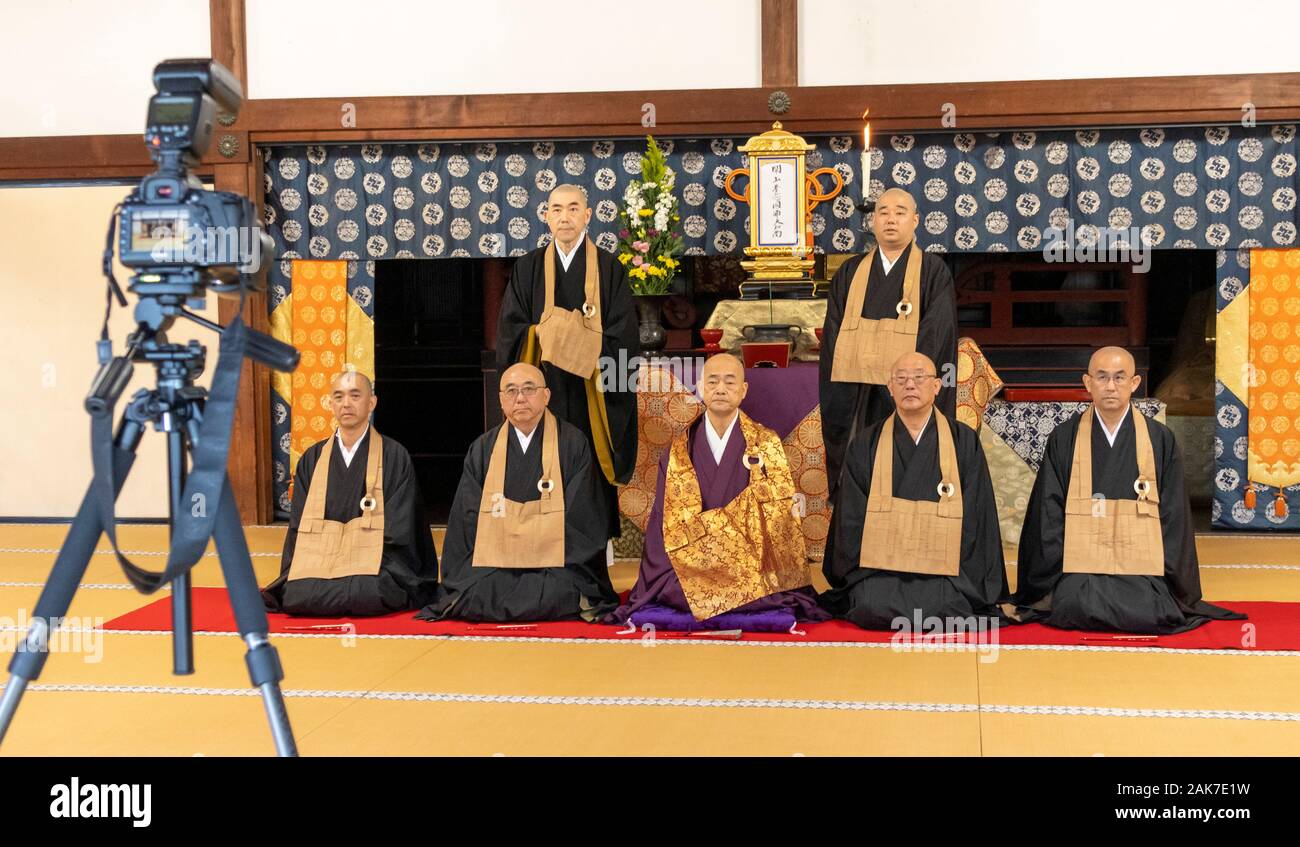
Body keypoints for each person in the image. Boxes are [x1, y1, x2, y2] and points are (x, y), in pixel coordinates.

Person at [1012, 346, 1245, 633]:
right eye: (1102, 377)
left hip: (1142, 570)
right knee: (1074, 605)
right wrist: (1057, 573)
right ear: (1088, 383)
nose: (1111, 386)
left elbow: (1174, 519)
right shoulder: (1065, 437)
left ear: (1135, 383)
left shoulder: (1160, 439)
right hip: (1081, 569)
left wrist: (1171, 578)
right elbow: (1047, 514)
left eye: (1120, 378)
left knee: (1151, 612)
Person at [611, 353, 826, 631]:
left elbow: (778, 520)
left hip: (748, 562)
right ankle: (727, 595)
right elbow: (663, 525)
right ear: (700, 388)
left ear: (744, 390)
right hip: (692, 565)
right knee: (676, 586)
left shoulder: (766, 442)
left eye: (729, 382)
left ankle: (722, 594)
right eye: (712, 382)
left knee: (768, 585)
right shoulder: (678, 451)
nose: (721, 389)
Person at [821, 352, 1008, 629]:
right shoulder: (865, 444)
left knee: (948, 603)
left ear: (936, 386)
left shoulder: (963, 442)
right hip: (882, 570)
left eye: (919, 377)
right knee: (871, 603)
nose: (910, 385)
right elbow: (851, 518)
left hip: (945, 572)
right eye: (901, 378)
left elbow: (977, 519)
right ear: (890, 388)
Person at [419, 363, 618, 622]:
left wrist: (536, 547)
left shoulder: (572, 443)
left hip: (554, 565)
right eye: (511, 391)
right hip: (495, 564)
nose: (520, 398)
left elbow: (584, 517)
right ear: (501, 400)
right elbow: (466, 521)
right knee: (479, 589)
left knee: (561, 590)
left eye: (529, 389)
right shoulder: (482, 448)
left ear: (546, 396)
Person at [496, 184, 638, 542]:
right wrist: (549, 334)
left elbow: (624, 340)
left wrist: (568, 338)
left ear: (588, 216)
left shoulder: (609, 269)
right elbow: (511, 331)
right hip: (544, 391)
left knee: (589, 475)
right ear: (546, 217)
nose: (565, 217)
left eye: (573, 209)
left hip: (594, 396)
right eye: (556, 209)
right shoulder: (527, 268)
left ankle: (595, 558)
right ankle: (538, 548)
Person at [262, 370, 439, 616]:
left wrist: (357, 559)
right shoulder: (311, 459)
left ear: (372, 403)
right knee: (297, 592)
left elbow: (401, 531)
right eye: (339, 396)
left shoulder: (394, 456)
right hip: (320, 562)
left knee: (368, 590)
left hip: (374, 563)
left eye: (355, 395)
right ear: (330, 404)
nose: (346, 403)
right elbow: (298, 530)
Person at [819, 187, 957, 496]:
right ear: (872, 222)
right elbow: (833, 339)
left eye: (900, 212)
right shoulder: (850, 272)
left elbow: (937, 334)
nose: (890, 220)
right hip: (856, 398)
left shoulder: (933, 272)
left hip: (906, 397)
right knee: (860, 478)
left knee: (905, 477)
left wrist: (900, 378)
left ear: (916, 220)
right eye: (882, 212)